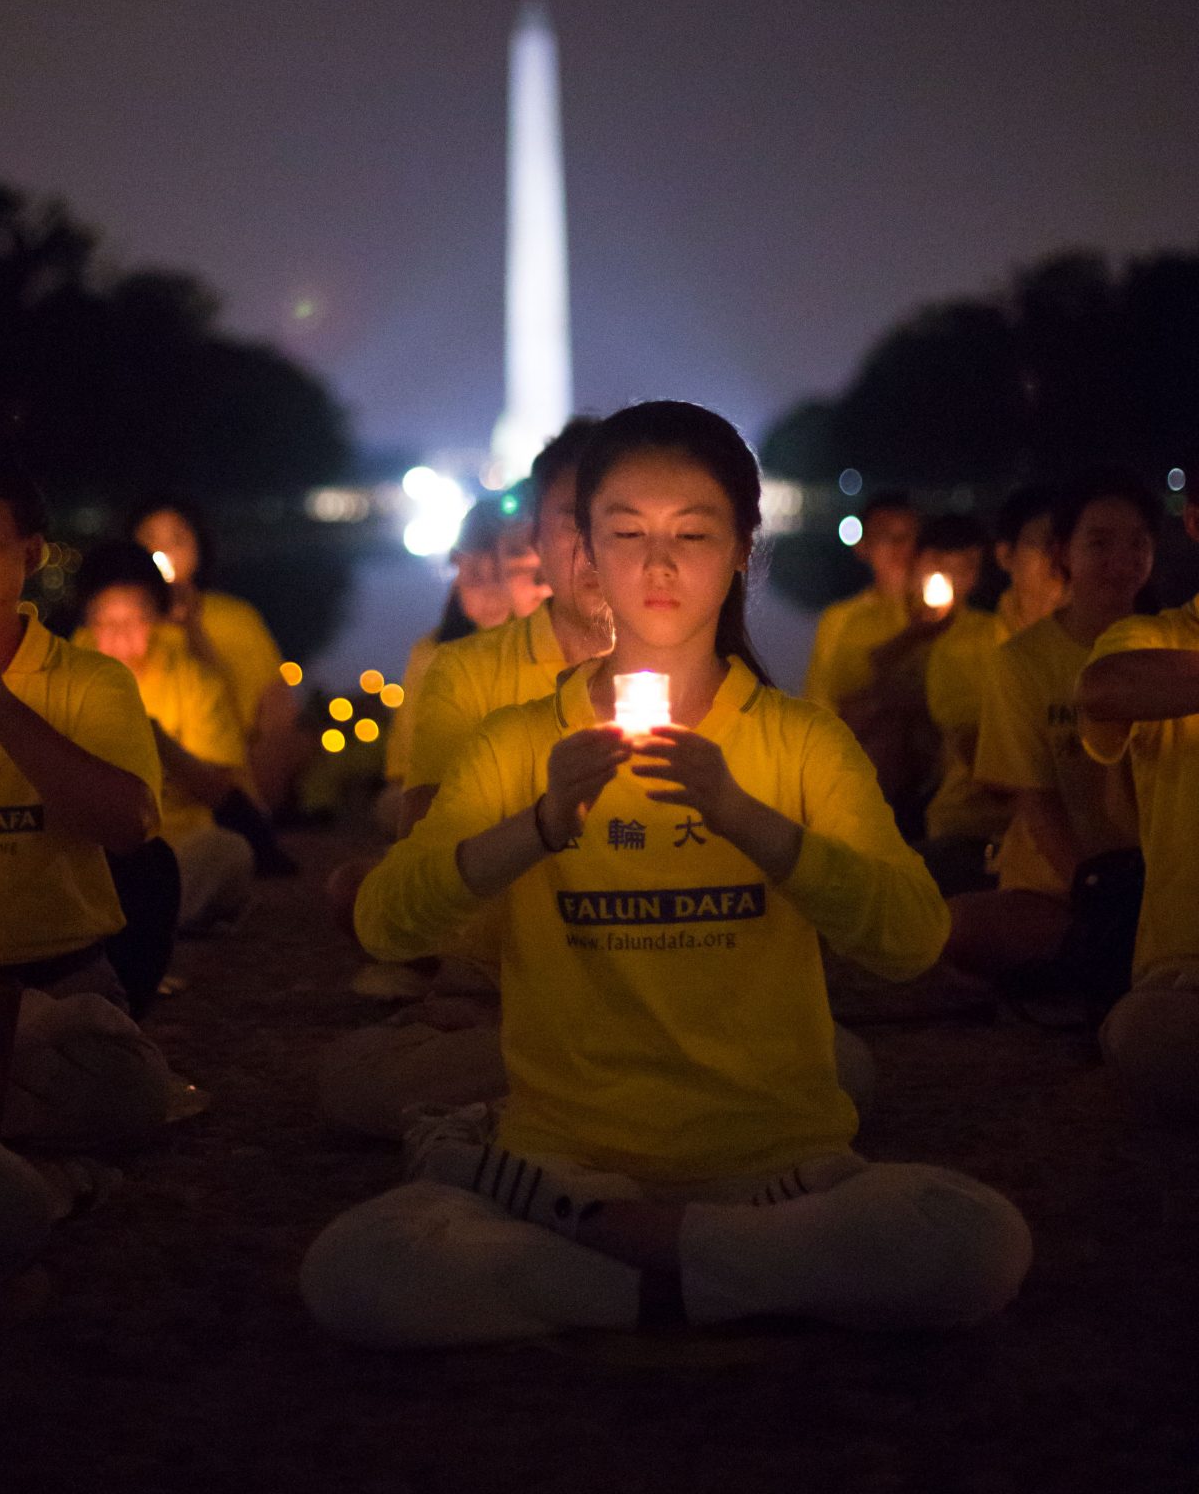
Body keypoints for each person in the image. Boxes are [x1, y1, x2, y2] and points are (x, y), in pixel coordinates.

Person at [302, 402, 1030, 1348]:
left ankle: (618, 1267)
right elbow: (388, 924)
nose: (656, 566)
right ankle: (717, 1272)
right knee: (357, 1270)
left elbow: (912, 940)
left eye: (691, 534)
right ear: (582, 552)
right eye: (626, 533)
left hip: (771, 1160)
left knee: (972, 1242)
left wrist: (746, 820)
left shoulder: (796, 741)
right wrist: (536, 827)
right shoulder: (518, 744)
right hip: (569, 1157)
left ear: (740, 550)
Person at [319, 419, 613, 1135]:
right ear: (536, 541)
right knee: (351, 1088)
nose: (597, 544)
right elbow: (424, 857)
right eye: (571, 521)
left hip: (654, 981)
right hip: (505, 983)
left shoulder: (696, 666)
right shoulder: (467, 670)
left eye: (622, 518)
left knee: (838, 1070)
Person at [0, 455, 171, 1156]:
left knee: (126, 1092)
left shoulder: (87, 681)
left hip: (59, 980)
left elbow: (130, 825)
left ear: (30, 555)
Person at [952, 474, 1156, 980]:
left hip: (1160, 883)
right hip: (1057, 885)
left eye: (1138, 543)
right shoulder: (1022, 661)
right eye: (1100, 543)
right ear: (1064, 553)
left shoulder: (1168, 646)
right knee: (955, 928)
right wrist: (1095, 891)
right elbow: (1035, 803)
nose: (1122, 560)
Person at [1076, 464, 1199, 1120]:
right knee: (1145, 1037)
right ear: (1196, 523)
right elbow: (1105, 687)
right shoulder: (1156, 638)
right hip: (1186, 970)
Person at [76, 543, 255, 937]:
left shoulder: (190, 677)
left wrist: (158, 743)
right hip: (91, 850)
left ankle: (131, 924)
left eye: (134, 619)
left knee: (227, 851)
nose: (120, 635)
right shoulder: (70, 670)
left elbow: (223, 788)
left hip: (175, 845)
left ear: (155, 620)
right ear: (89, 623)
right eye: (107, 621)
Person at [921, 488, 1064, 896]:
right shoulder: (965, 646)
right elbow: (989, 772)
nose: (1058, 560)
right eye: (1042, 545)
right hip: (974, 833)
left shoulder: (1095, 643)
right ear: (1005, 557)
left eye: (1066, 544)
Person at [376, 498, 538, 836]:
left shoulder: (541, 645)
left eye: (501, 568)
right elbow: (405, 769)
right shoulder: (432, 652)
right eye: (473, 570)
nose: (487, 583)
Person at [130, 499, 303, 814]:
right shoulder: (118, 623)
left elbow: (272, 711)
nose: (163, 551)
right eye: (149, 540)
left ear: (199, 545)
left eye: (177, 539)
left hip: (229, 788)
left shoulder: (237, 620)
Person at [838, 514, 987, 837]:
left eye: (969, 567)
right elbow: (846, 699)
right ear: (920, 565)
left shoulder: (987, 634)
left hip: (954, 784)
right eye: (942, 566)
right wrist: (914, 636)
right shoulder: (875, 622)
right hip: (889, 773)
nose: (956, 577)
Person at [803, 492, 918, 711]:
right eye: (885, 535)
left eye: (907, 535)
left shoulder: (937, 613)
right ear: (863, 547)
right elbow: (819, 701)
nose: (898, 546)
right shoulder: (839, 619)